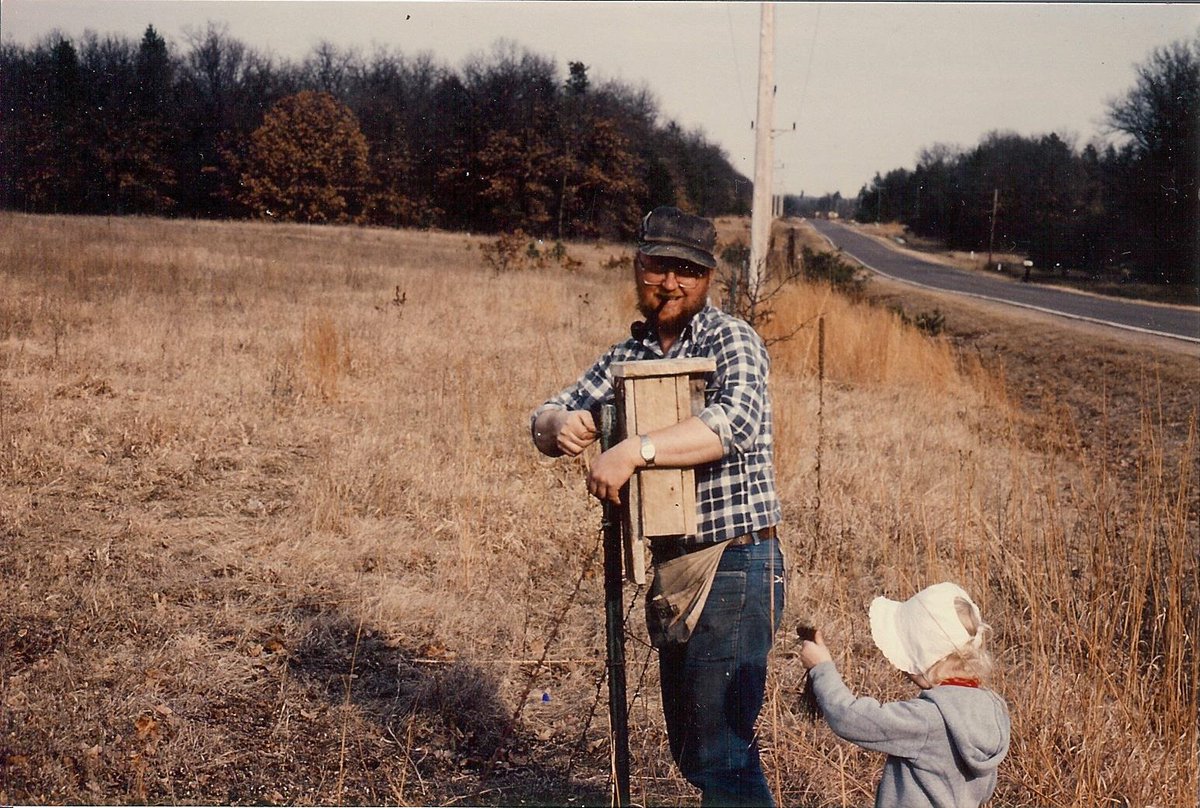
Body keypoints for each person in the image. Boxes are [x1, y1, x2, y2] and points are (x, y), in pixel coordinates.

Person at [531, 206, 785, 806]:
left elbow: (733, 423)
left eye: (687, 272)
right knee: (697, 752)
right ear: (638, 266)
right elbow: (550, 414)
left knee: (720, 753)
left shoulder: (732, 339)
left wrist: (634, 451)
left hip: (735, 564)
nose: (670, 283)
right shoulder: (633, 353)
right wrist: (558, 425)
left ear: (708, 278)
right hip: (675, 570)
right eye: (658, 268)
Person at [799, 582, 1011, 808]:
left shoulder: (928, 719)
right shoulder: (993, 709)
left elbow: (850, 718)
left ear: (925, 658)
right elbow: (985, 791)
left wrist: (821, 668)